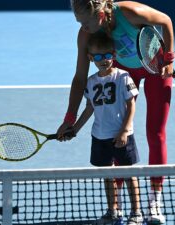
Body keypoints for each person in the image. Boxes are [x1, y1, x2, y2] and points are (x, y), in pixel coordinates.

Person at [58, 0, 175, 223]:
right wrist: (70, 117)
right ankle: (117, 204)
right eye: (79, 22)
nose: (83, 27)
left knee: (155, 133)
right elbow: (80, 78)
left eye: (86, 22)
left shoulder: (129, 12)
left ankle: (155, 199)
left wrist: (169, 59)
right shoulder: (85, 35)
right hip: (123, 71)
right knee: (115, 134)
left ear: (101, 15)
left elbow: (166, 21)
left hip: (154, 67)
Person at [69, 32, 143, 225]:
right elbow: (89, 108)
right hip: (99, 136)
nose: (103, 61)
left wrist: (125, 130)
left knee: (128, 174)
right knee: (107, 175)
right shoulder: (92, 82)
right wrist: (75, 129)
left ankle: (136, 212)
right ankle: (113, 211)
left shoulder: (123, 77)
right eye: (98, 57)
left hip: (122, 135)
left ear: (114, 55)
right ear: (91, 58)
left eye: (107, 55)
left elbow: (131, 105)